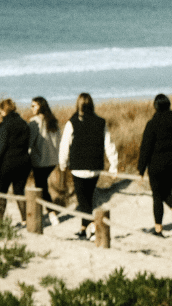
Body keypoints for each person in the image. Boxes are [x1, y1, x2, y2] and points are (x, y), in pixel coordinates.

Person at [58, 93, 118, 239]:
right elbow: (108, 144)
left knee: (83, 201)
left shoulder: (72, 122)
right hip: (95, 166)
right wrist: (113, 164)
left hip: (78, 167)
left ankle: (92, 226)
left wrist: (62, 162)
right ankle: (83, 228)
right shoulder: (100, 122)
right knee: (88, 198)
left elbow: (65, 145)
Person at [137, 93, 172, 236]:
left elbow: (146, 147)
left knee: (157, 196)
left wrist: (141, 168)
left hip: (157, 165)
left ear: (155, 106)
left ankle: (158, 229)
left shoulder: (152, 124)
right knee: (165, 193)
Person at [0, 98, 32, 225]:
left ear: (4, 110)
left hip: (7, 163)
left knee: (2, 192)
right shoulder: (24, 124)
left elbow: (1, 146)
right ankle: (25, 220)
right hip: (23, 162)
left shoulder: (4, 125)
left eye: (0, 109)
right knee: (19, 191)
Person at [27, 96, 61, 209]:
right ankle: (48, 211)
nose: (31, 108)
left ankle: (50, 212)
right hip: (52, 160)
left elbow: (29, 142)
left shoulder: (35, 122)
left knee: (41, 188)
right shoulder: (52, 121)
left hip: (40, 161)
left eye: (33, 106)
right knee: (42, 186)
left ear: (40, 107)